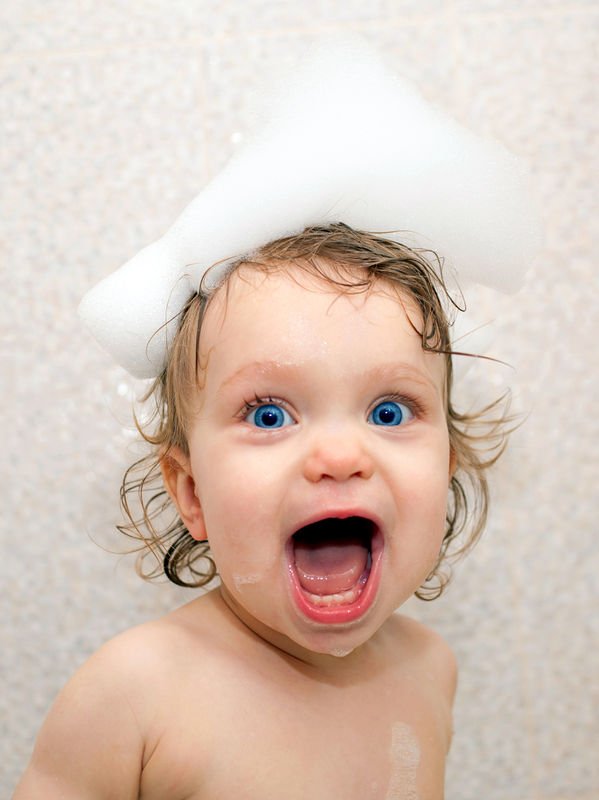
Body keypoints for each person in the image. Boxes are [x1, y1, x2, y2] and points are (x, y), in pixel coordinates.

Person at [14, 41, 538, 799]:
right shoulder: (136, 693)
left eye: (389, 410)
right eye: (267, 414)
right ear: (190, 492)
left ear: (448, 463)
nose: (337, 453)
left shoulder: (429, 670)